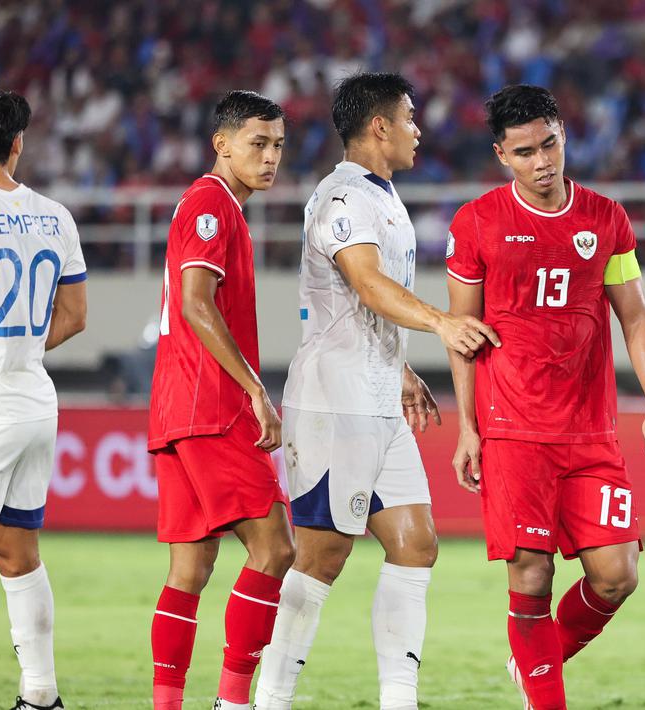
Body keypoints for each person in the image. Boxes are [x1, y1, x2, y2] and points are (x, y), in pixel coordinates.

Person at [254, 72, 498, 710]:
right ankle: (271, 698)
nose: (420, 130)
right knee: (323, 555)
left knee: (416, 543)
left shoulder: (384, 197)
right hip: (334, 401)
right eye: (410, 118)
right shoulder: (342, 198)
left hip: (379, 396)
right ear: (380, 126)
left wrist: (403, 367)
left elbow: (371, 310)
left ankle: (399, 700)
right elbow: (366, 284)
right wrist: (443, 321)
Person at [446, 84, 645, 710]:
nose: (542, 160)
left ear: (564, 136)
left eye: (550, 143)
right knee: (532, 570)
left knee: (617, 574)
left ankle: (534, 659)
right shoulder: (476, 223)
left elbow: (634, 316)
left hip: (590, 430)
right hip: (511, 426)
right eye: (525, 152)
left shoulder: (606, 218)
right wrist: (467, 426)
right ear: (502, 154)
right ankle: (545, 696)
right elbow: (461, 334)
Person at [146, 91, 294, 710]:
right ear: (222, 144)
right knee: (276, 547)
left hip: (175, 405)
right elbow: (195, 303)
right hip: (213, 405)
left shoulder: (209, 203)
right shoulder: (213, 204)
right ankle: (234, 703)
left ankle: (167, 704)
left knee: (191, 568)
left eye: (278, 145)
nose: (270, 157)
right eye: (257, 143)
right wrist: (256, 389)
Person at [0, 88, 86, 710]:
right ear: (17, 143)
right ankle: (42, 694)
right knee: (17, 549)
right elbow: (75, 316)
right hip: (33, 403)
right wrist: (19, 349)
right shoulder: (55, 215)